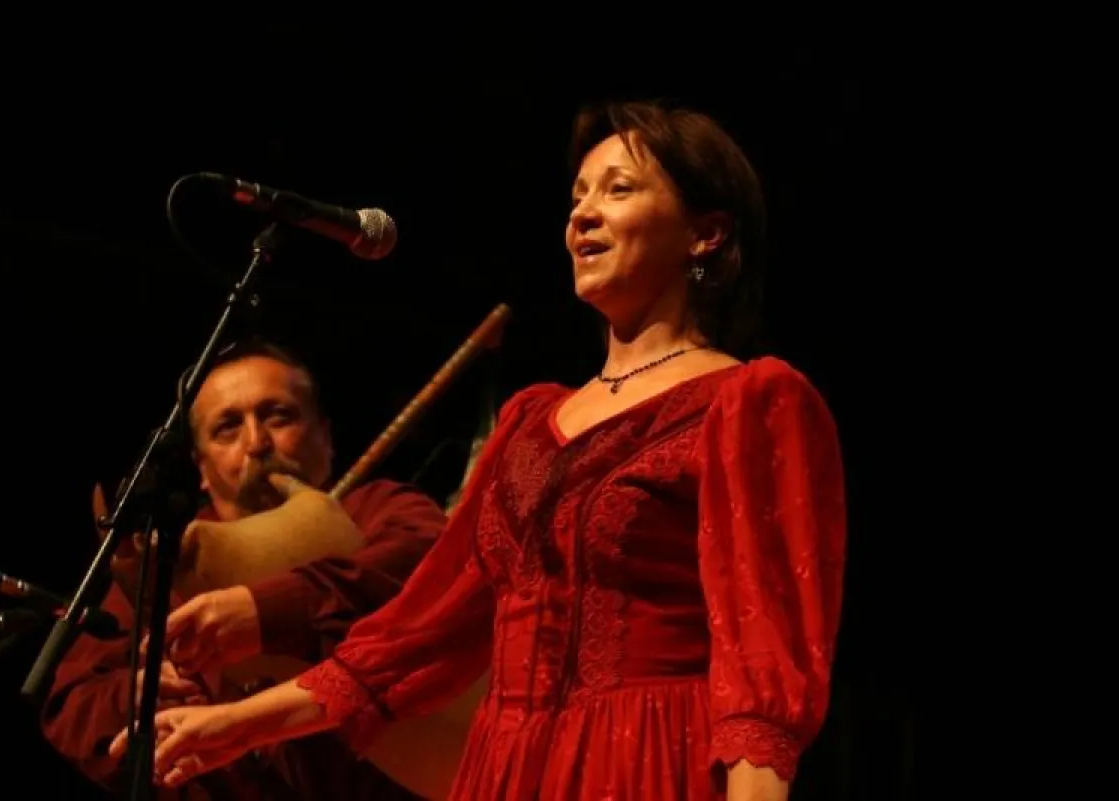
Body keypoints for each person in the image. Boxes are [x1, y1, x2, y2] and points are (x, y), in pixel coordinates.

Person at [111, 100, 849, 801]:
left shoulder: (748, 401)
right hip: (506, 768)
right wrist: (232, 724)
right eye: (576, 196)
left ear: (706, 233)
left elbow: (765, 665)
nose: (582, 214)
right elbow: (413, 637)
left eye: (618, 189)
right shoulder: (530, 421)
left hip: (647, 759)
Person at [44, 339, 446, 800]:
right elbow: (71, 701)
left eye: (278, 415)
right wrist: (137, 693)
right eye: (227, 428)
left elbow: (426, 566)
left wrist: (264, 613)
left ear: (326, 436)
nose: (256, 443)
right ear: (200, 467)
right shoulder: (170, 560)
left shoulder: (376, 511)